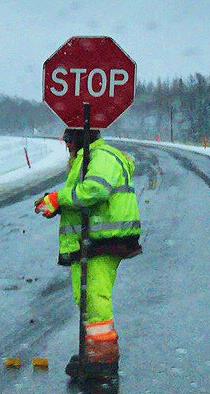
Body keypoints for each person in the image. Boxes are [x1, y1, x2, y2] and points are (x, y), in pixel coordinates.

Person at [35, 127, 141, 380]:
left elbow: (95, 191)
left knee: (94, 299)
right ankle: (93, 354)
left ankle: (102, 363)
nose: (67, 148)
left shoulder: (100, 157)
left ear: (78, 139)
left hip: (102, 240)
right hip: (94, 239)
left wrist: (59, 199)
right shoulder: (89, 157)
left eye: (68, 142)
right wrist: (57, 205)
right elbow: (85, 197)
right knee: (87, 299)